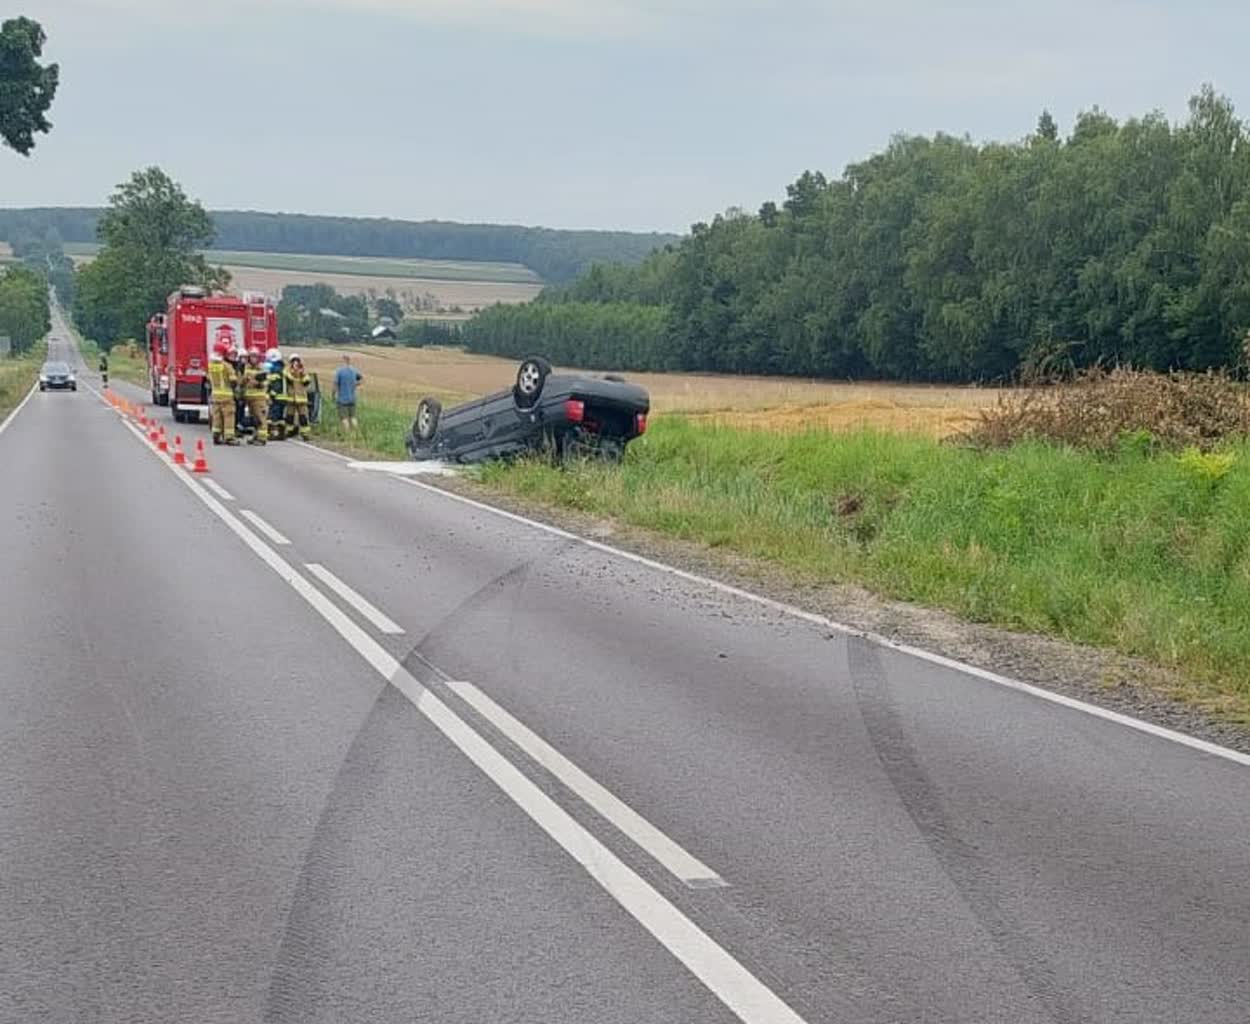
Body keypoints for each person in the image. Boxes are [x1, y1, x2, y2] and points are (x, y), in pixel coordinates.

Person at [207, 341, 240, 445]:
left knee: (217, 416)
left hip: (215, 395)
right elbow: (233, 380)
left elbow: (208, 378)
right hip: (227, 395)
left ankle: (216, 435)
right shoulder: (226, 366)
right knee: (228, 416)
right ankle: (229, 437)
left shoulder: (210, 365)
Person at [241, 349, 269, 445]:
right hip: (249, 398)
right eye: (252, 356)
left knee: (261, 418)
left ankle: (262, 438)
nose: (254, 358)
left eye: (255, 356)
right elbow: (243, 382)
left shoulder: (261, 368)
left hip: (259, 398)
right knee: (254, 419)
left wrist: (258, 383)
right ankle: (256, 436)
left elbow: (266, 382)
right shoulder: (246, 367)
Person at [284, 353, 313, 440]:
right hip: (291, 398)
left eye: (297, 361)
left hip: (301, 399)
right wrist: (294, 372)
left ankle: (305, 434)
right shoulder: (287, 371)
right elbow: (288, 378)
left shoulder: (303, 372)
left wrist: (302, 373)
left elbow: (307, 381)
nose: (296, 363)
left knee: (303, 417)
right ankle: (289, 431)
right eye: (294, 362)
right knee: (289, 417)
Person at [333, 353, 363, 430]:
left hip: (342, 399)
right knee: (353, 417)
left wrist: (334, 395)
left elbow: (335, 384)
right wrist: (356, 384)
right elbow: (361, 379)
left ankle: (347, 434)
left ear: (344, 359)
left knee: (344, 418)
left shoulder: (339, 371)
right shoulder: (354, 370)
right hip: (353, 398)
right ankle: (356, 433)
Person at [264, 348, 286, 440]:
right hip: (283, 398)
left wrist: (271, 395)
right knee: (280, 417)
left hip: (276, 397)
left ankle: (271, 433)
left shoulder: (276, 370)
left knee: (272, 417)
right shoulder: (281, 369)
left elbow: (276, 385)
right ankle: (281, 434)